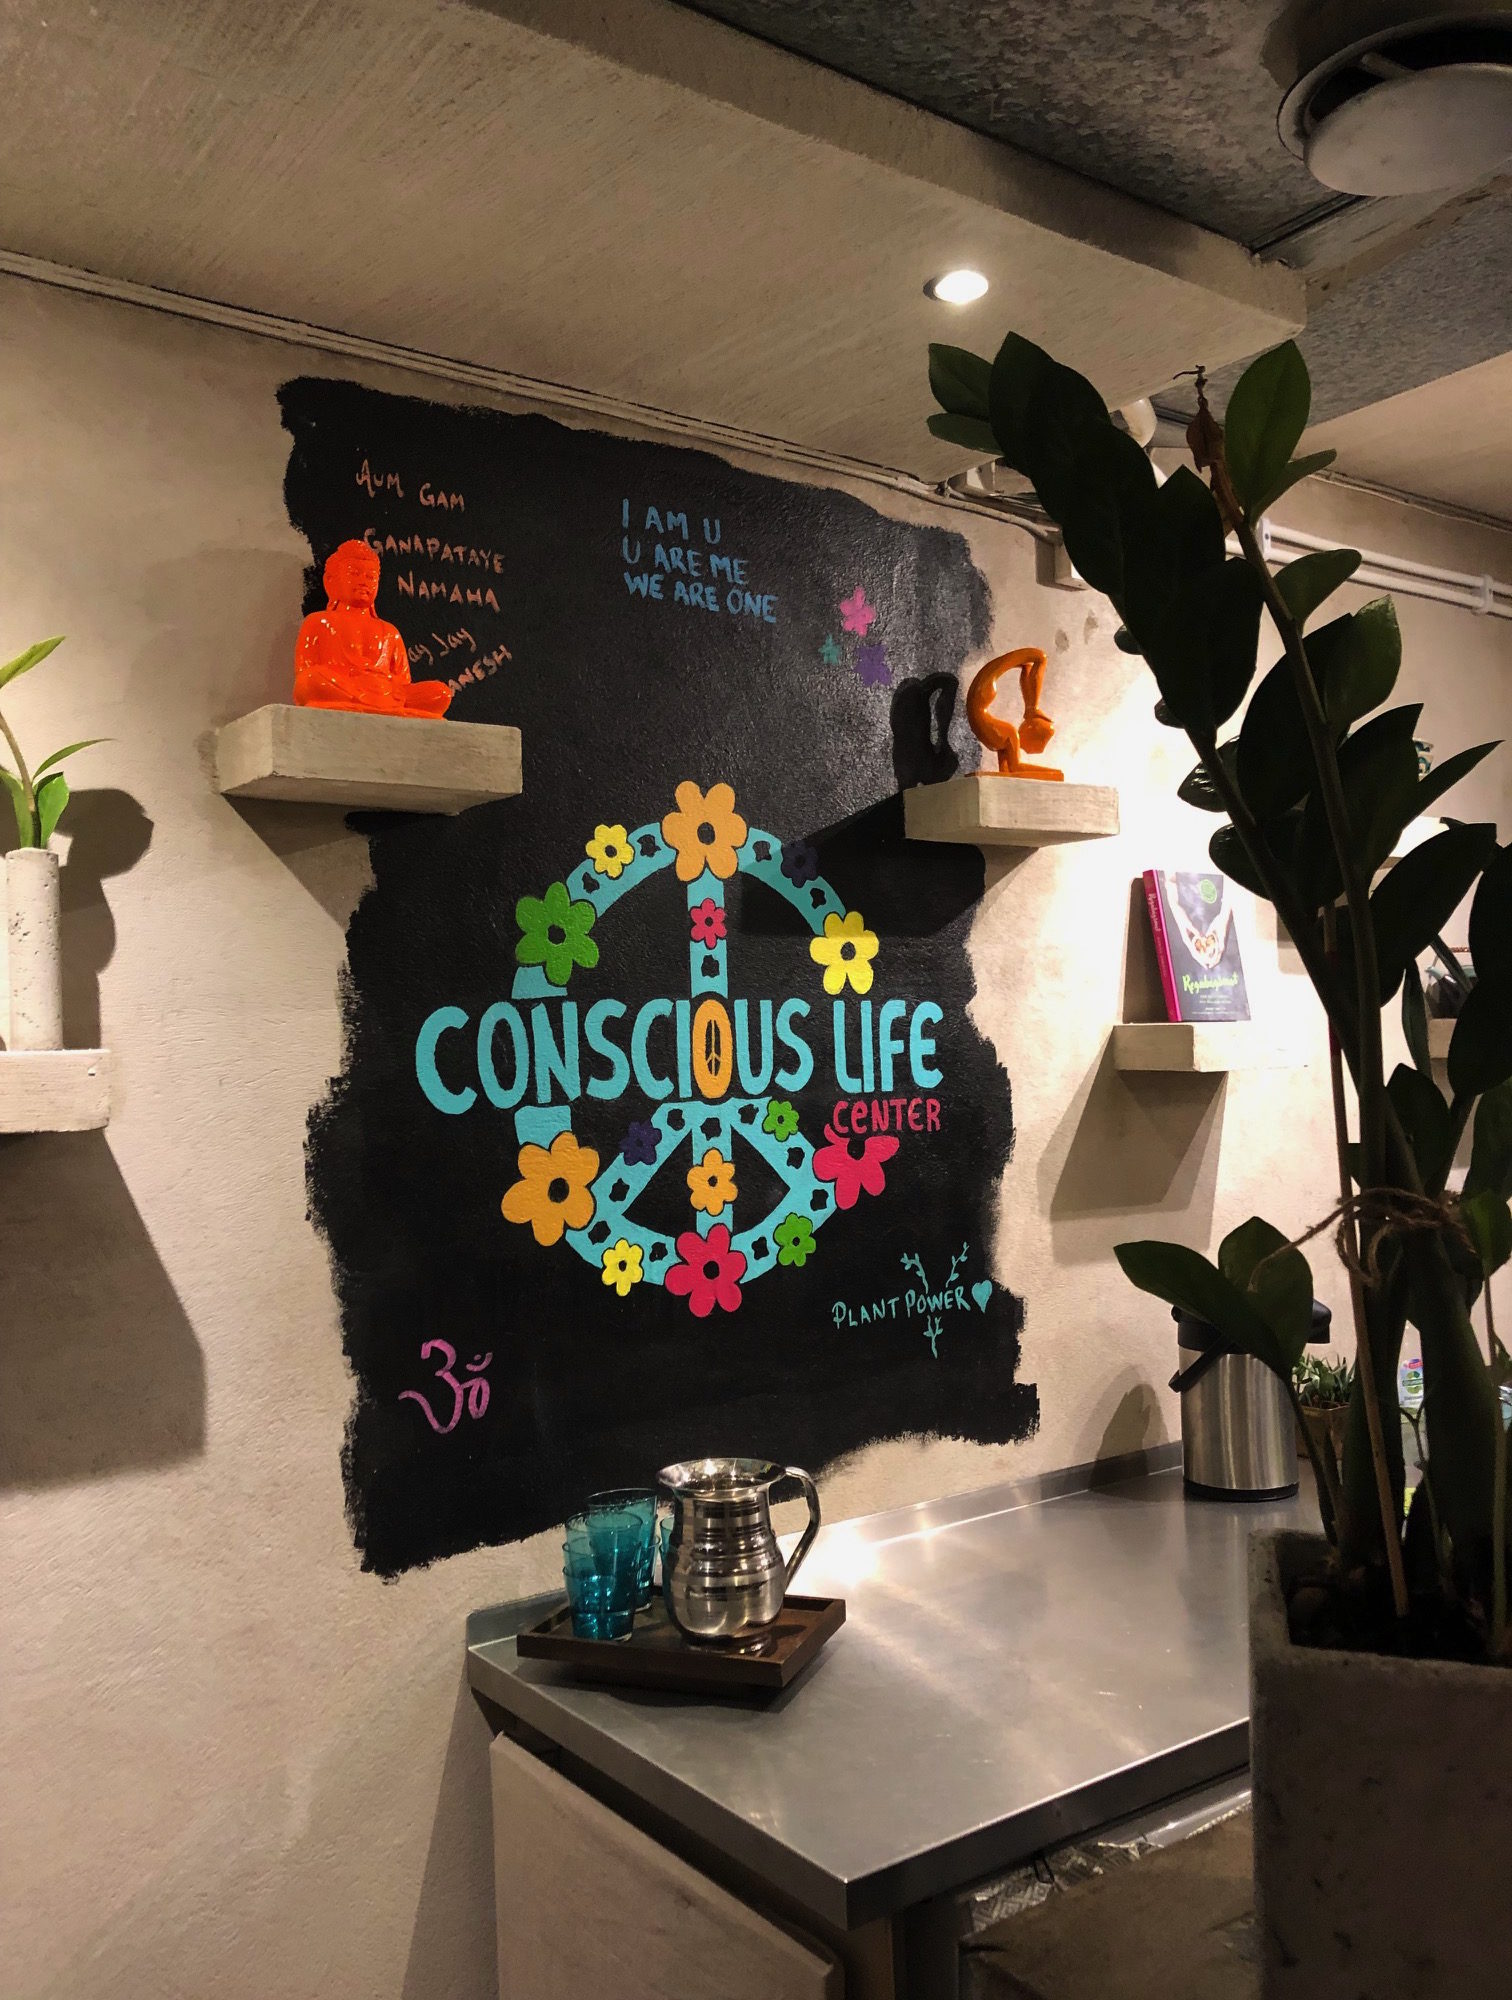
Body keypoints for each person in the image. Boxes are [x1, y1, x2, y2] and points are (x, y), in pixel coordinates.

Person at [293, 539, 451, 717]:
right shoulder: (317, 622)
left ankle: (374, 705)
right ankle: (378, 706)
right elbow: (305, 673)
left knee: (441, 693)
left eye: (370, 577)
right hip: (345, 687)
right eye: (354, 574)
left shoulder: (389, 631)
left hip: (385, 692)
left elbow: (403, 683)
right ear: (331, 580)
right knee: (310, 681)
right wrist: (354, 676)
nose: (363, 581)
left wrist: (381, 681)